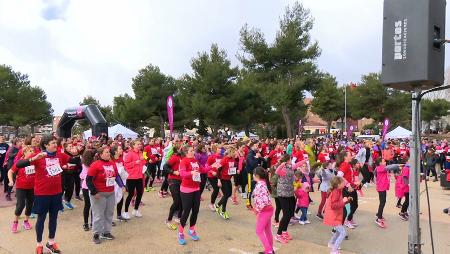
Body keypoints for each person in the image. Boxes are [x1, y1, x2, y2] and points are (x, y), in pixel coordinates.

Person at [16, 135, 69, 254]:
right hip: (42, 193)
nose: (55, 145)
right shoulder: (38, 155)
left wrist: (67, 165)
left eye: (56, 142)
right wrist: (32, 159)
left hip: (56, 192)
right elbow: (19, 164)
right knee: (41, 218)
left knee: (54, 218)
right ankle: (39, 244)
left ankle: (51, 243)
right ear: (45, 145)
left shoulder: (59, 155)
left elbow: (71, 160)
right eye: (52, 143)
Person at [86, 146, 125, 244]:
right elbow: (89, 180)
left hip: (110, 193)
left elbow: (117, 176)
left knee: (109, 213)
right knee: (98, 215)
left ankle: (106, 232)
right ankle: (96, 234)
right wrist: (94, 192)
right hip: (99, 194)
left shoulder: (112, 163)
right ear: (100, 154)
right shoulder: (95, 165)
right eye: (106, 152)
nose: (108, 154)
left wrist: (122, 186)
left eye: (109, 152)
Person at [177, 146, 207, 245]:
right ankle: (180, 233)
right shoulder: (184, 161)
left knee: (195, 211)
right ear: (186, 152)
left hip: (196, 189)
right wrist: (191, 172)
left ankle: (192, 230)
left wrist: (213, 167)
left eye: (193, 150)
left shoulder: (195, 160)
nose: (193, 151)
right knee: (186, 212)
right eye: (191, 150)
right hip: (186, 190)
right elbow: (182, 174)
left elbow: (202, 169)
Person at [8, 145, 35, 233]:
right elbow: (10, 171)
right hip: (21, 187)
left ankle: (26, 221)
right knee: (21, 205)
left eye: (33, 151)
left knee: (30, 204)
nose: (32, 152)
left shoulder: (34, 162)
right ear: (24, 153)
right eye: (30, 151)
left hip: (31, 187)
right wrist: (11, 180)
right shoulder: (20, 162)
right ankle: (15, 222)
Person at [324, 176, 351, 254]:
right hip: (333, 216)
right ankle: (334, 250)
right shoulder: (336, 192)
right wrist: (344, 201)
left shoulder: (338, 190)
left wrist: (346, 201)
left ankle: (331, 243)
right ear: (338, 184)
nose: (344, 183)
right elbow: (333, 206)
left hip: (335, 215)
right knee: (343, 233)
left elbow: (338, 203)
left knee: (338, 231)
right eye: (343, 182)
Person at [253, 166, 275, 254]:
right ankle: (270, 249)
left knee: (259, 231)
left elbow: (264, 201)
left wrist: (257, 209)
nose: (253, 176)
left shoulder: (260, 185)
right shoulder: (263, 183)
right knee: (267, 230)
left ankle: (269, 250)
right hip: (268, 209)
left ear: (257, 175)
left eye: (254, 174)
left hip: (265, 210)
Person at [123, 140, 145, 219]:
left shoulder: (140, 152)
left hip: (139, 176)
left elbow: (143, 163)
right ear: (133, 145)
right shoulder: (129, 153)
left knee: (140, 193)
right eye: (138, 144)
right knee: (131, 194)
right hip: (131, 177)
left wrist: (143, 160)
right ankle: (125, 212)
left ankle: (135, 210)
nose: (139, 145)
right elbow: (126, 165)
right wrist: (135, 162)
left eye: (140, 144)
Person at [164, 145, 183, 230]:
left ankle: (178, 218)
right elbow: (165, 167)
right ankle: (168, 220)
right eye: (180, 148)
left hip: (182, 181)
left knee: (182, 200)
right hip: (173, 180)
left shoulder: (185, 158)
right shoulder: (175, 157)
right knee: (177, 200)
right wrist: (173, 172)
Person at [215, 147, 236, 219]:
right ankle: (223, 211)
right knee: (226, 194)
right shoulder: (224, 159)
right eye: (234, 152)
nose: (235, 153)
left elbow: (231, 169)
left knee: (228, 194)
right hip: (223, 179)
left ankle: (218, 205)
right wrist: (218, 180)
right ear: (230, 152)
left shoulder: (232, 159)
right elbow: (218, 170)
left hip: (228, 179)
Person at [80, 149, 96, 231]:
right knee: (92, 206)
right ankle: (92, 223)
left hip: (86, 187)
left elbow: (81, 176)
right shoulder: (94, 164)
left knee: (87, 205)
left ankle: (86, 224)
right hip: (91, 187)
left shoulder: (83, 165)